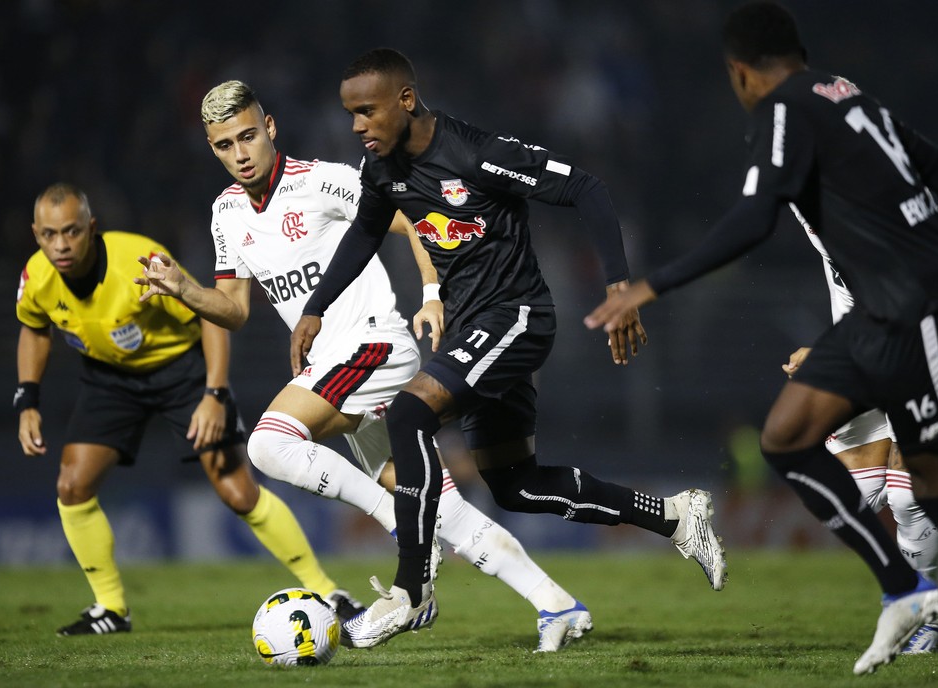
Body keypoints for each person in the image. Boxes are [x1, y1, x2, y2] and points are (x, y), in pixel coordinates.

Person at [135, 80, 596, 653]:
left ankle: (400, 526)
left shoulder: (320, 181)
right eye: (226, 145)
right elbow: (231, 309)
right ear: (214, 150)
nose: (242, 152)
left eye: (249, 136)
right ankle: (556, 602)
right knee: (444, 509)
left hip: (373, 346)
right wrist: (184, 289)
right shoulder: (226, 213)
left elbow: (412, 217)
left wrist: (432, 292)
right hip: (339, 366)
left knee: (268, 445)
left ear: (270, 127)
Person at [291, 48, 727, 650]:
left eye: (366, 111)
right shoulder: (383, 170)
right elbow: (366, 231)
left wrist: (620, 288)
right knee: (514, 485)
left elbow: (588, 190)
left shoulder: (477, 153)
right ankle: (675, 516)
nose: (357, 126)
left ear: (406, 101)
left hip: (517, 316)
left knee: (411, 414)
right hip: (473, 329)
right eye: (350, 114)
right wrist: (315, 306)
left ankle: (410, 590)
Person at [585, 1, 938, 674]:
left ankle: (910, 590)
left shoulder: (784, 109)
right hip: (879, 315)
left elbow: (756, 216)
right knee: (787, 435)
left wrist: (651, 284)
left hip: (925, 308)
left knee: (935, 487)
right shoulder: (851, 99)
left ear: (739, 72)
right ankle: (904, 590)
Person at [16, 182, 357, 636]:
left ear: (91, 228)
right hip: (109, 379)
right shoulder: (36, 276)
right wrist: (28, 399)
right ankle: (111, 610)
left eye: (72, 232)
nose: (60, 244)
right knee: (72, 485)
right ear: (36, 233)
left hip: (183, 373)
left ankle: (326, 590)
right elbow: (34, 327)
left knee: (238, 492)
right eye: (49, 234)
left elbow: (207, 314)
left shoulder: (139, 261)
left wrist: (214, 395)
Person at [781, 208, 938, 654]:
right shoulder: (815, 200)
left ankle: (922, 617)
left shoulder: (902, 221)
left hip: (920, 359)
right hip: (864, 360)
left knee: (908, 495)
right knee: (850, 496)